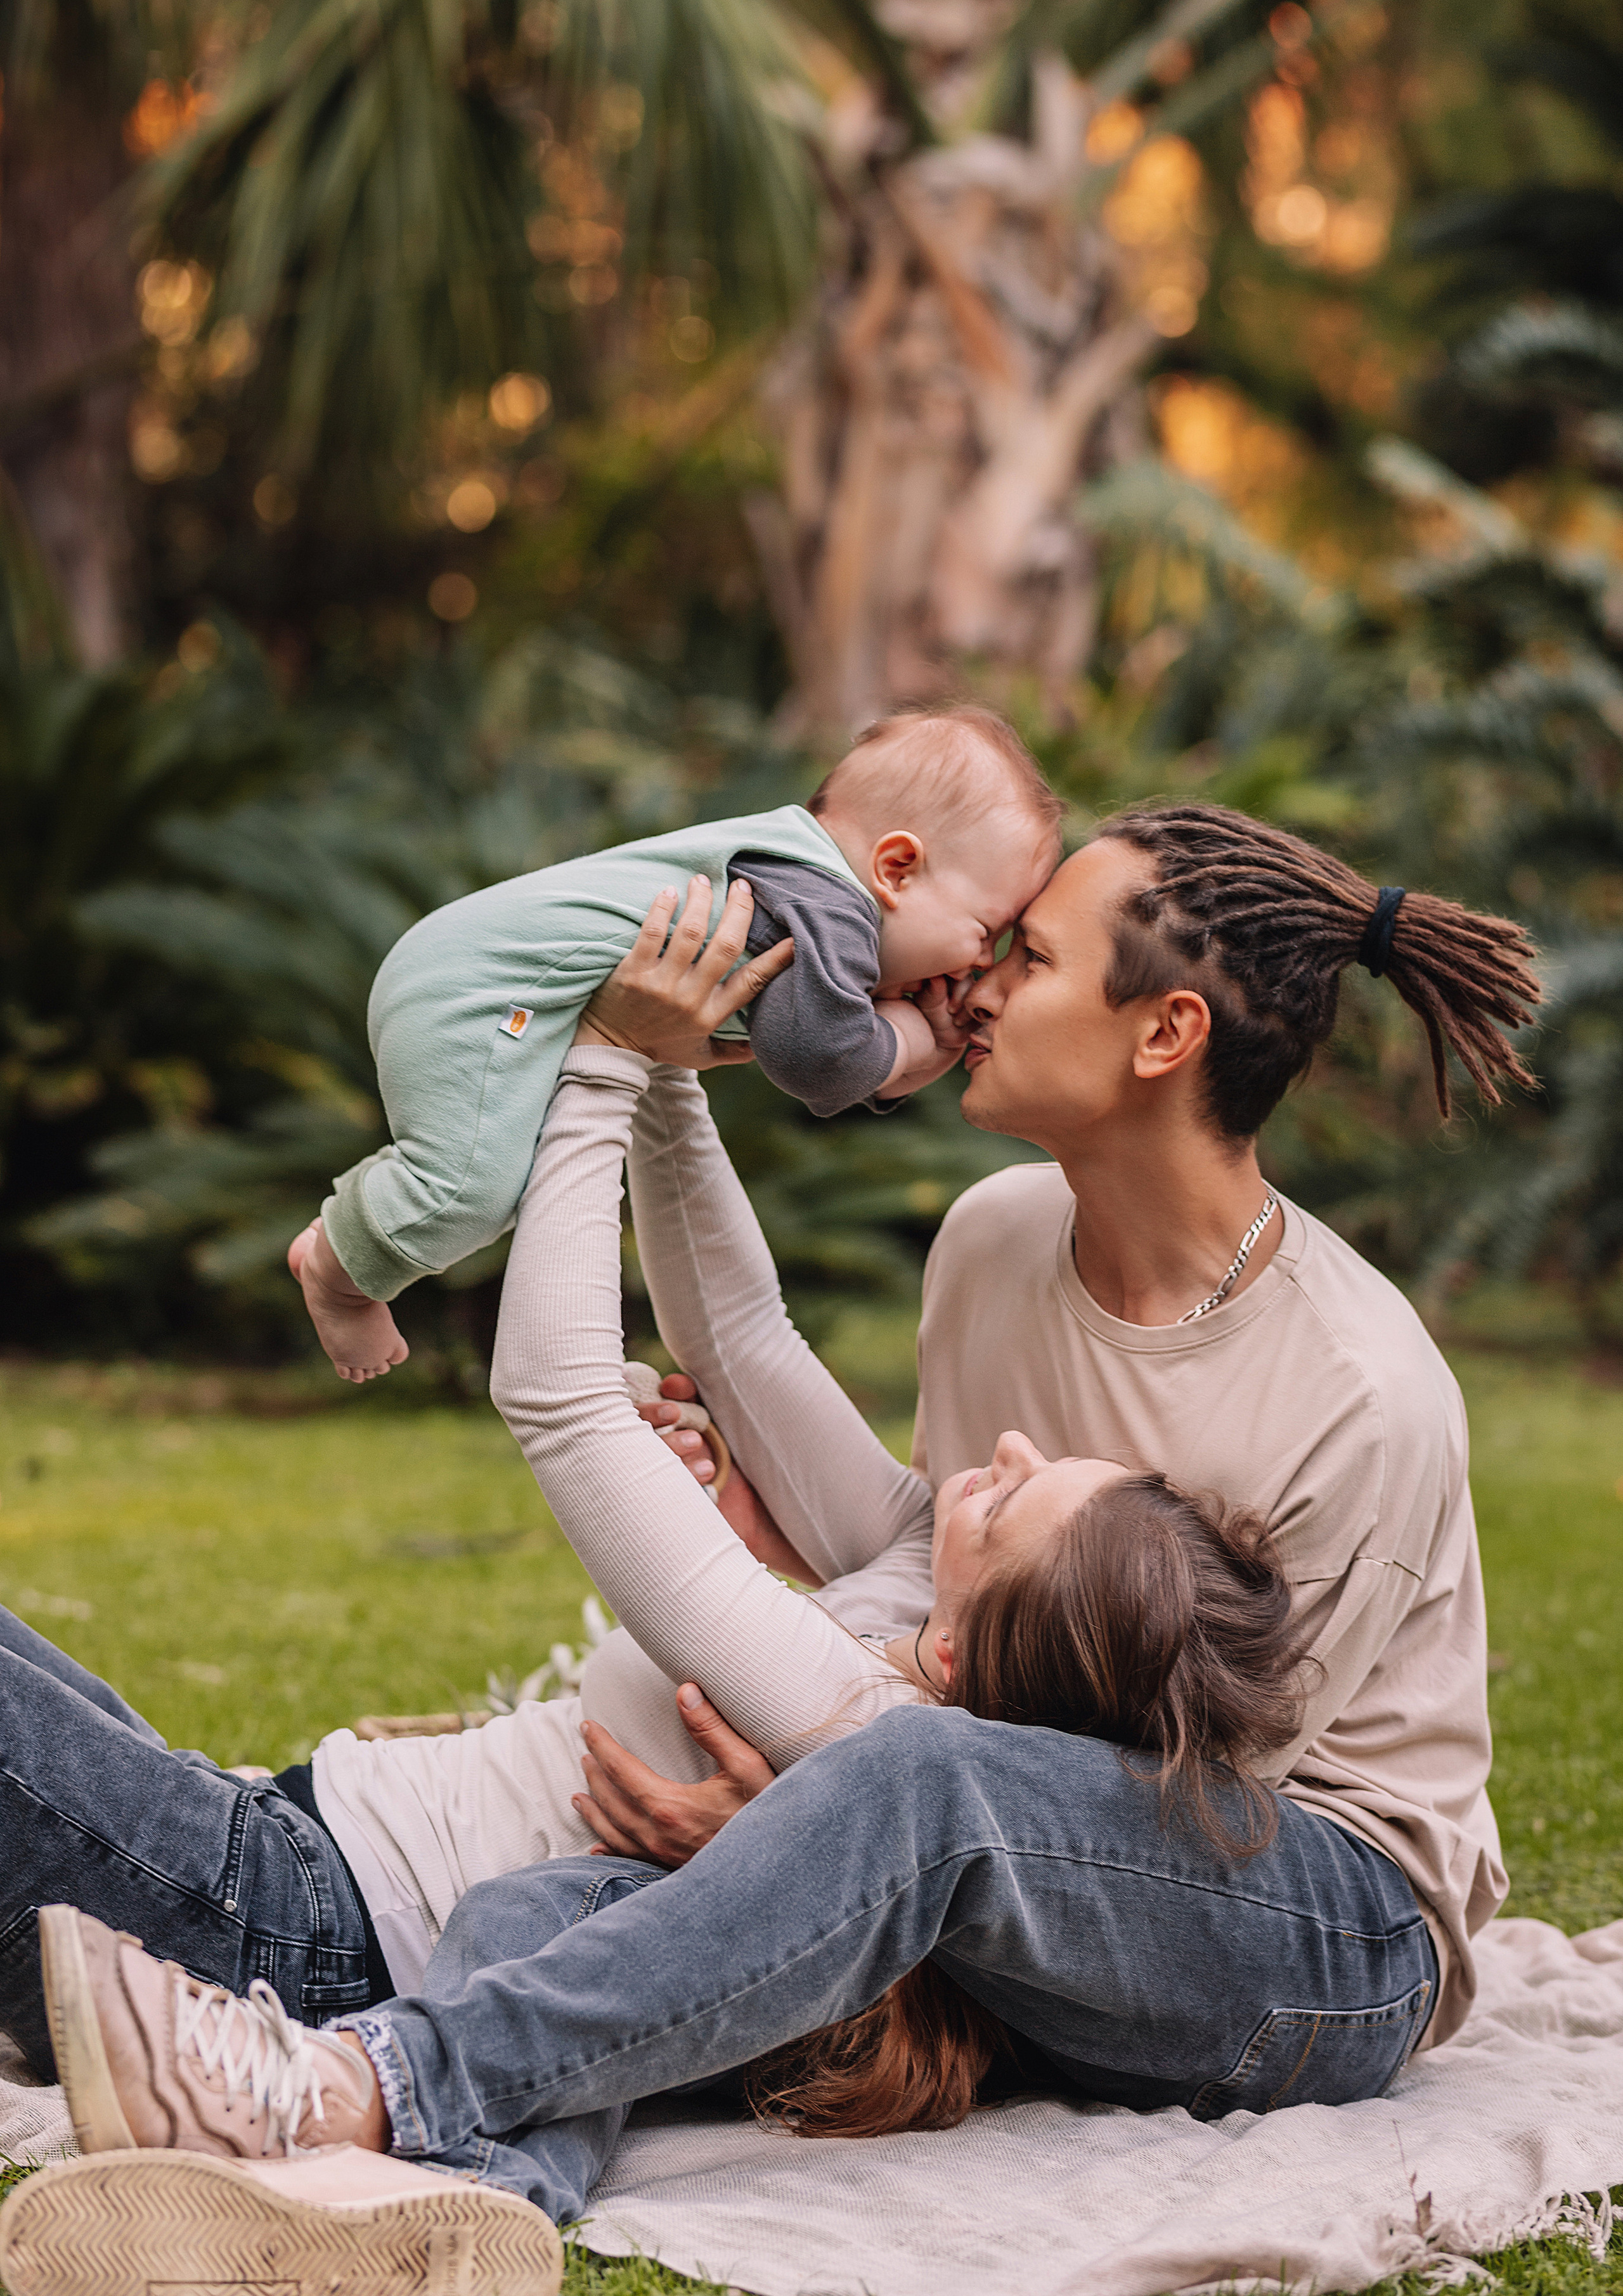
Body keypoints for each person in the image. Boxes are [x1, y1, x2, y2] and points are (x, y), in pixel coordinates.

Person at [16, 806, 1540, 2283]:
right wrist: (673, 1037)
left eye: (1035, 956)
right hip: (982, 1783)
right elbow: (895, 1541)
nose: (975, 980)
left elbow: (1159, 1783)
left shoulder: (1357, 1395)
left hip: (1302, 1912)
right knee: (579, 1904)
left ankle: (353, 2083)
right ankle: (440, 2204)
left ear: (1164, 1033)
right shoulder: (999, 1240)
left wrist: (820, 1842)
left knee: (909, 1778)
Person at [289, 702, 1061, 1381]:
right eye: (985, 931)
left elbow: (835, 1052)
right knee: (469, 1191)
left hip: (469, 973)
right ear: (896, 868)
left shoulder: (804, 884)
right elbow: (817, 1059)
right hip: (479, 993)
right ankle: (340, 1269)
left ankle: (355, 1248)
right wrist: (911, 1040)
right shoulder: (831, 907)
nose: (977, 965)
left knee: (514, 1178)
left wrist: (901, 1044)